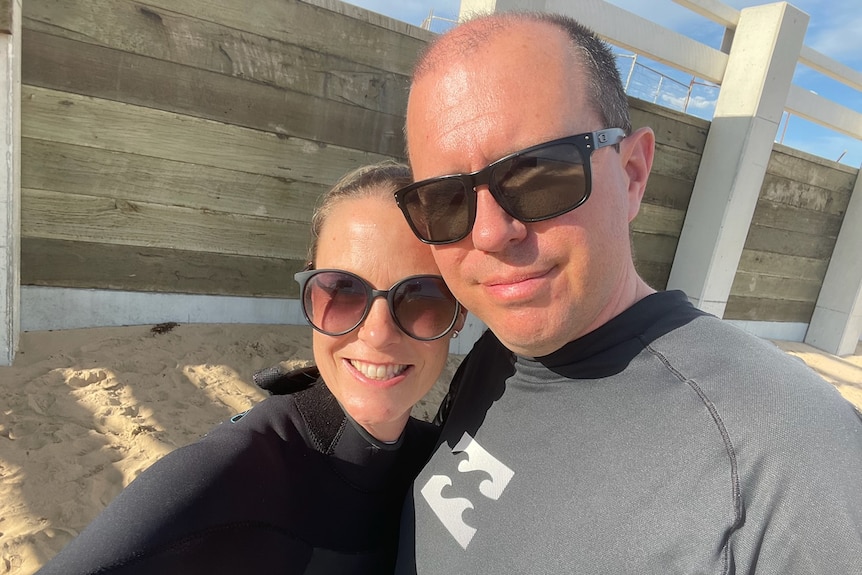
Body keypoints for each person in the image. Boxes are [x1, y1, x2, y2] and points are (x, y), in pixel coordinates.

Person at [393, 11, 862, 574]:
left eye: (538, 174)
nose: (491, 234)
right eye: (443, 200)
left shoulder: (790, 458)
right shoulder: (497, 358)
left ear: (633, 172)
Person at [36, 162, 465, 574]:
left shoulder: (447, 458)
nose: (377, 334)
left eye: (423, 295)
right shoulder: (228, 473)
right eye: (343, 290)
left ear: (461, 312)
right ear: (310, 295)